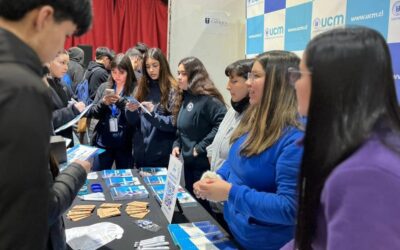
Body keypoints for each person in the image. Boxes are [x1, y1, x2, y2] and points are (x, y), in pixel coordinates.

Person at [281, 27, 400, 250]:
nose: (294, 84)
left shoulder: (365, 173)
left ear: (328, 83)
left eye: (299, 74)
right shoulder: (361, 147)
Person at [0, 0, 91, 249]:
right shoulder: (21, 87)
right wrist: (76, 172)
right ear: (44, 18)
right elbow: (37, 211)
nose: (59, 50)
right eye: (63, 35)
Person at [194, 51, 304, 250]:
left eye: (256, 76)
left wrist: (230, 193)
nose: (248, 83)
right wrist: (216, 176)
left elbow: (289, 208)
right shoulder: (254, 118)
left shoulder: (296, 136)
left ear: (278, 83)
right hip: (236, 233)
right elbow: (235, 159)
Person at [172, 57, 227, 211]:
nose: (179, 77)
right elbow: (182, 128)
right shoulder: (185, 96)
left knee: (203, 210)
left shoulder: (209, 100)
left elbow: (222, 125)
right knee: (192, 207)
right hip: (188, 164)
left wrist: (201, 147)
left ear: (195, 75)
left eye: (183, 74)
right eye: (178, 73)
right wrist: (177, 144)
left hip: (203, 167)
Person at [204, 59, 252, 230]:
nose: (227, 86)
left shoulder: (254, 117)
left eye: (234, 81)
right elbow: (220, 141)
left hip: (233, 203)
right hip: (219, 197)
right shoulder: (233, 109)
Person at [126, 48, 178, 167]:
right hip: (140, 153)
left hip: (162, 155)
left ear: (162, 65)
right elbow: (133, 121)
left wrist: (152, 115)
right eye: (148, 66)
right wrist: (130, 110)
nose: (151, 70)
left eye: (155, 65)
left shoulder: (173, 89)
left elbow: (174, 123)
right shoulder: (141, 86)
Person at [88, 54, 136, 170]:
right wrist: (103, 103)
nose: (117, 76)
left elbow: (136, 117)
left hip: (125, 143)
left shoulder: (135, 89)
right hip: (104, 141)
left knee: (124, 179)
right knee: (98, 177)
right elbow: (93, 112)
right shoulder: (104, 87)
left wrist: (122, 103)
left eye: (121, 73)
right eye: (114, 72)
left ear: (128, 72)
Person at [47, 51, 86, 144]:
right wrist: (72, 110)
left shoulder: (63, 84)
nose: (66, 68)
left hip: (66, 139)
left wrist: (78, 105)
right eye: (62, 63)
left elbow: (73, 99)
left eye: (67, 63)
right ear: (49, 61)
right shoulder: (42, 86)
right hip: (52, 143)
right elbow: (46, 119)